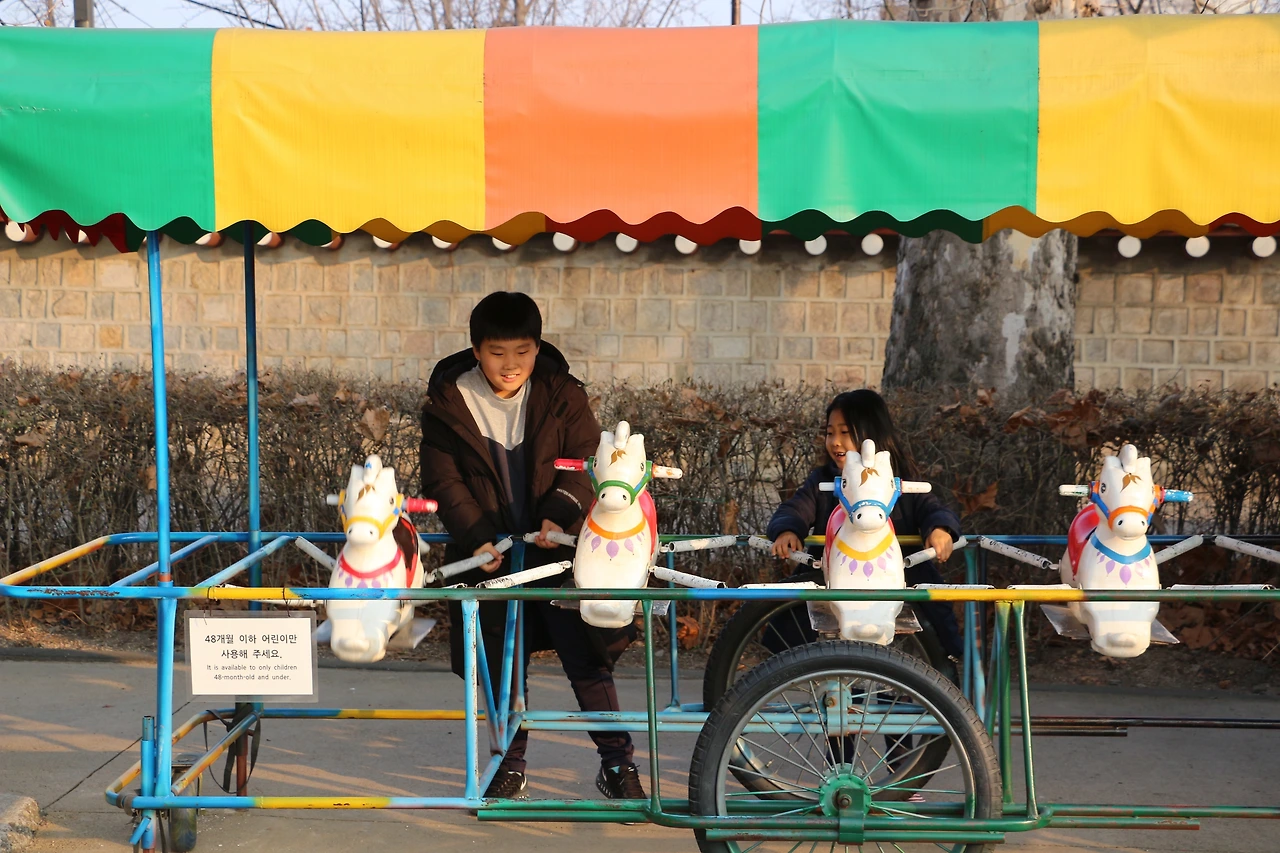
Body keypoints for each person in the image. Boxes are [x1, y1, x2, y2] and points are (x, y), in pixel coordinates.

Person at [420, 291, 644, 801]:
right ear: (476, 350)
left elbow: (586, 460)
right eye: (497, 352)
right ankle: (508, 765)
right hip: (489, 556)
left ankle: (618, 764)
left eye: (522, 351)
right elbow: (444, 481)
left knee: (588, 660)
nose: (510, 364)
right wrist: (477, 538)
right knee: (502, 664)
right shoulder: (448, 403)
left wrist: (559, 512)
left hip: (559, 550)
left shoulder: (562, 393)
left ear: (538, 348)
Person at [765, 389, 965, 659]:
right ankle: (789, 669)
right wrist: (788, 530)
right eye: (830, 433)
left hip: (901, 572)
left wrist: (940, 529)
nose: (835, 442)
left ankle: (941, 668)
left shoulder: (898, 481)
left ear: (872, 433)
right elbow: (796, 508)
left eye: (845, 432)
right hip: (830, 573)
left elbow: (933, 508)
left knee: (934, 616)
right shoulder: (823, 480)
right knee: (794, 617)